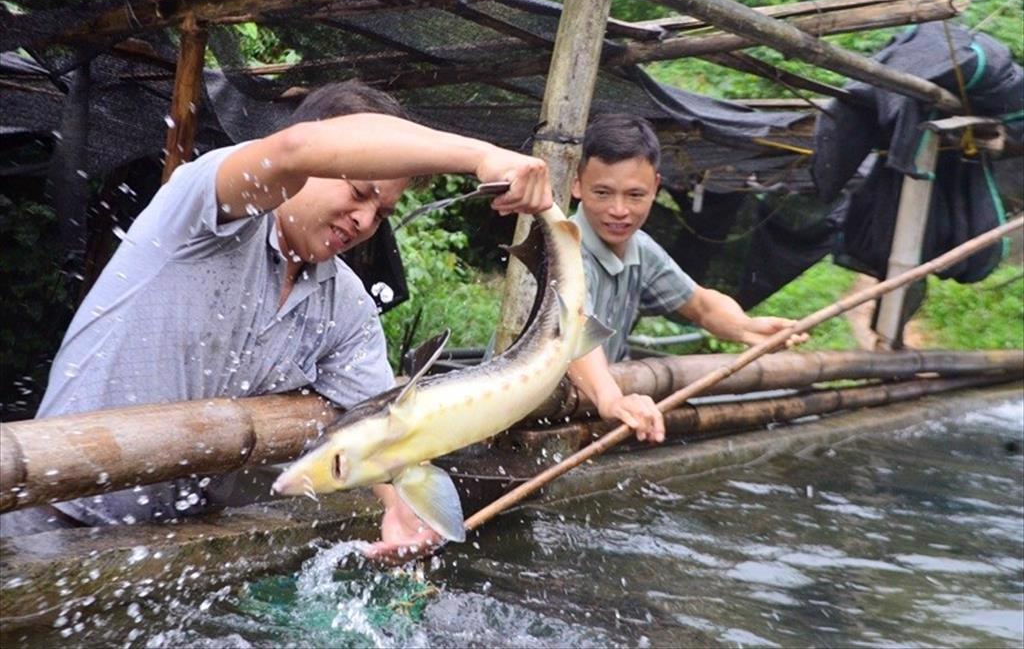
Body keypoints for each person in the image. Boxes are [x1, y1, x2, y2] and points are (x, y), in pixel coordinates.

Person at [3, 81, 559, 561]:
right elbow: (295, 148)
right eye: (358, 190)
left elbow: (387, 427)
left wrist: (402, 510)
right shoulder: (202, 210)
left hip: (171, 540)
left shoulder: (346, 303)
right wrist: (482, 157)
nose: (365, 219)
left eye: (382, 212)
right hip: (49, 517)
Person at [565, 114, 807, 444]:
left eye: (635, 195)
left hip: (589, 407)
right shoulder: (564, 249)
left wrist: (746, 328)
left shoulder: (641, 249)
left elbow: (701, 305)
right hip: (527, 411)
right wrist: (612, 397)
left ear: (655, 188)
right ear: (576, 184)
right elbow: (574, 333)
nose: (619, 210)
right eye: (603, 193)